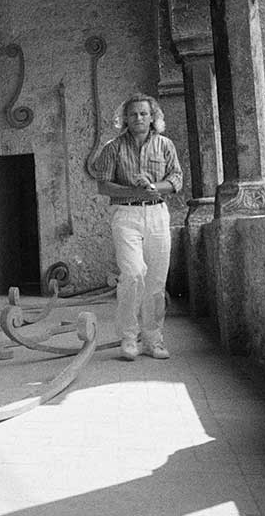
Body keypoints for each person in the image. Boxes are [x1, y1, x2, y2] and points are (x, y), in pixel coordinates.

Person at [93, 93, 183, 360]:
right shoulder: (113, 148)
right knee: (133, 274)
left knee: (156, 279)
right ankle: (129, 337)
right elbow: (103, 184)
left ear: (153, 117)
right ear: (125, 119)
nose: (138, 118)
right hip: (126, 215)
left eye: (144, 113)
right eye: (133, 114)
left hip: (157, 214)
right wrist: (134, 190)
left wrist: (154, 188)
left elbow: (176, 179)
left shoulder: (165, 145)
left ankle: (153, 340)